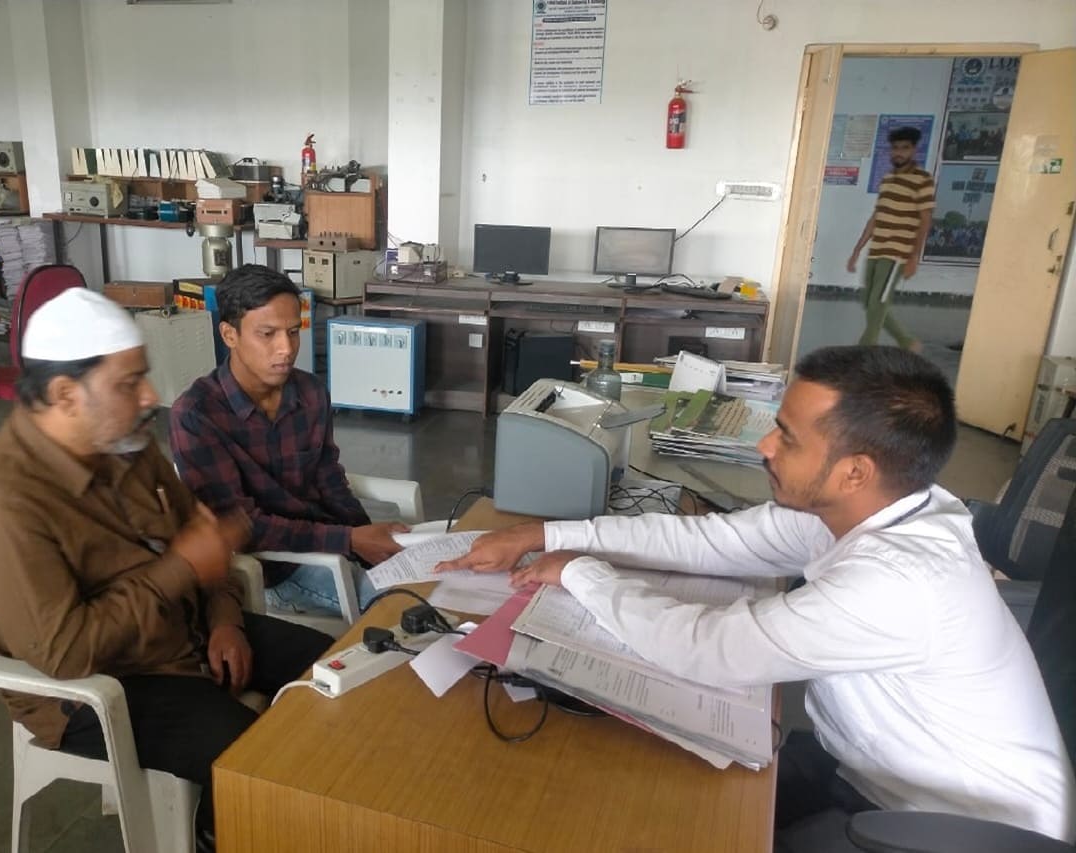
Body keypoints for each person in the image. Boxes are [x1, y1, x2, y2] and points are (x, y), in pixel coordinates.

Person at [435, 345, 1074, 845]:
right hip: (872, 775)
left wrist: (581, 572)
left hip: (957, 831)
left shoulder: (900, 580)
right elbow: (710, 542)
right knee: (663, 806)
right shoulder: (878, 507)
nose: (764, 445)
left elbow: (712, 651)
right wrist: (543, 534)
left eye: (787, 437)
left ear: (856, 471)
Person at [0, 288, 333, 853]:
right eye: (129, 383)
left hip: (183, 630)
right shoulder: (0, 512)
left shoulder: (123, 441)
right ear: (65, 395)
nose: (150, 395)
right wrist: (181, 569)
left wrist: (224, 617)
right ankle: (220, 833)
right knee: (255, 761)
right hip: (103, 686)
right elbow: (68, 654)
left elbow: (201, 540)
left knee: (333, 671)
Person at [170, 264, 407, 617]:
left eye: (294, 332)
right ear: (229, 335)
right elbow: (240, 526)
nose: (286, 348)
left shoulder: (310, 392)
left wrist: (365, 536)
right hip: (274, 568)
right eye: (268, 334)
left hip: (333, 542)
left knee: (429, 579)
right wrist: (350, 541)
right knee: (403, 605)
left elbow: (329, 479)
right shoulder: (197, 416)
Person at [847, 126, 935, 351]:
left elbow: (925, 220)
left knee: (878, 302)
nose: (899, 153)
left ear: (914, 150)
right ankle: (907, 342)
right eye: (895, 148)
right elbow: (876, 216)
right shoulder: (887, 179)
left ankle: (865, 350)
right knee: (869, 302)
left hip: (897, 254)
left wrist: (913, 257)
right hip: (876, 250)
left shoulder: (922, 180)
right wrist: (857, 250)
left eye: (904, 148)